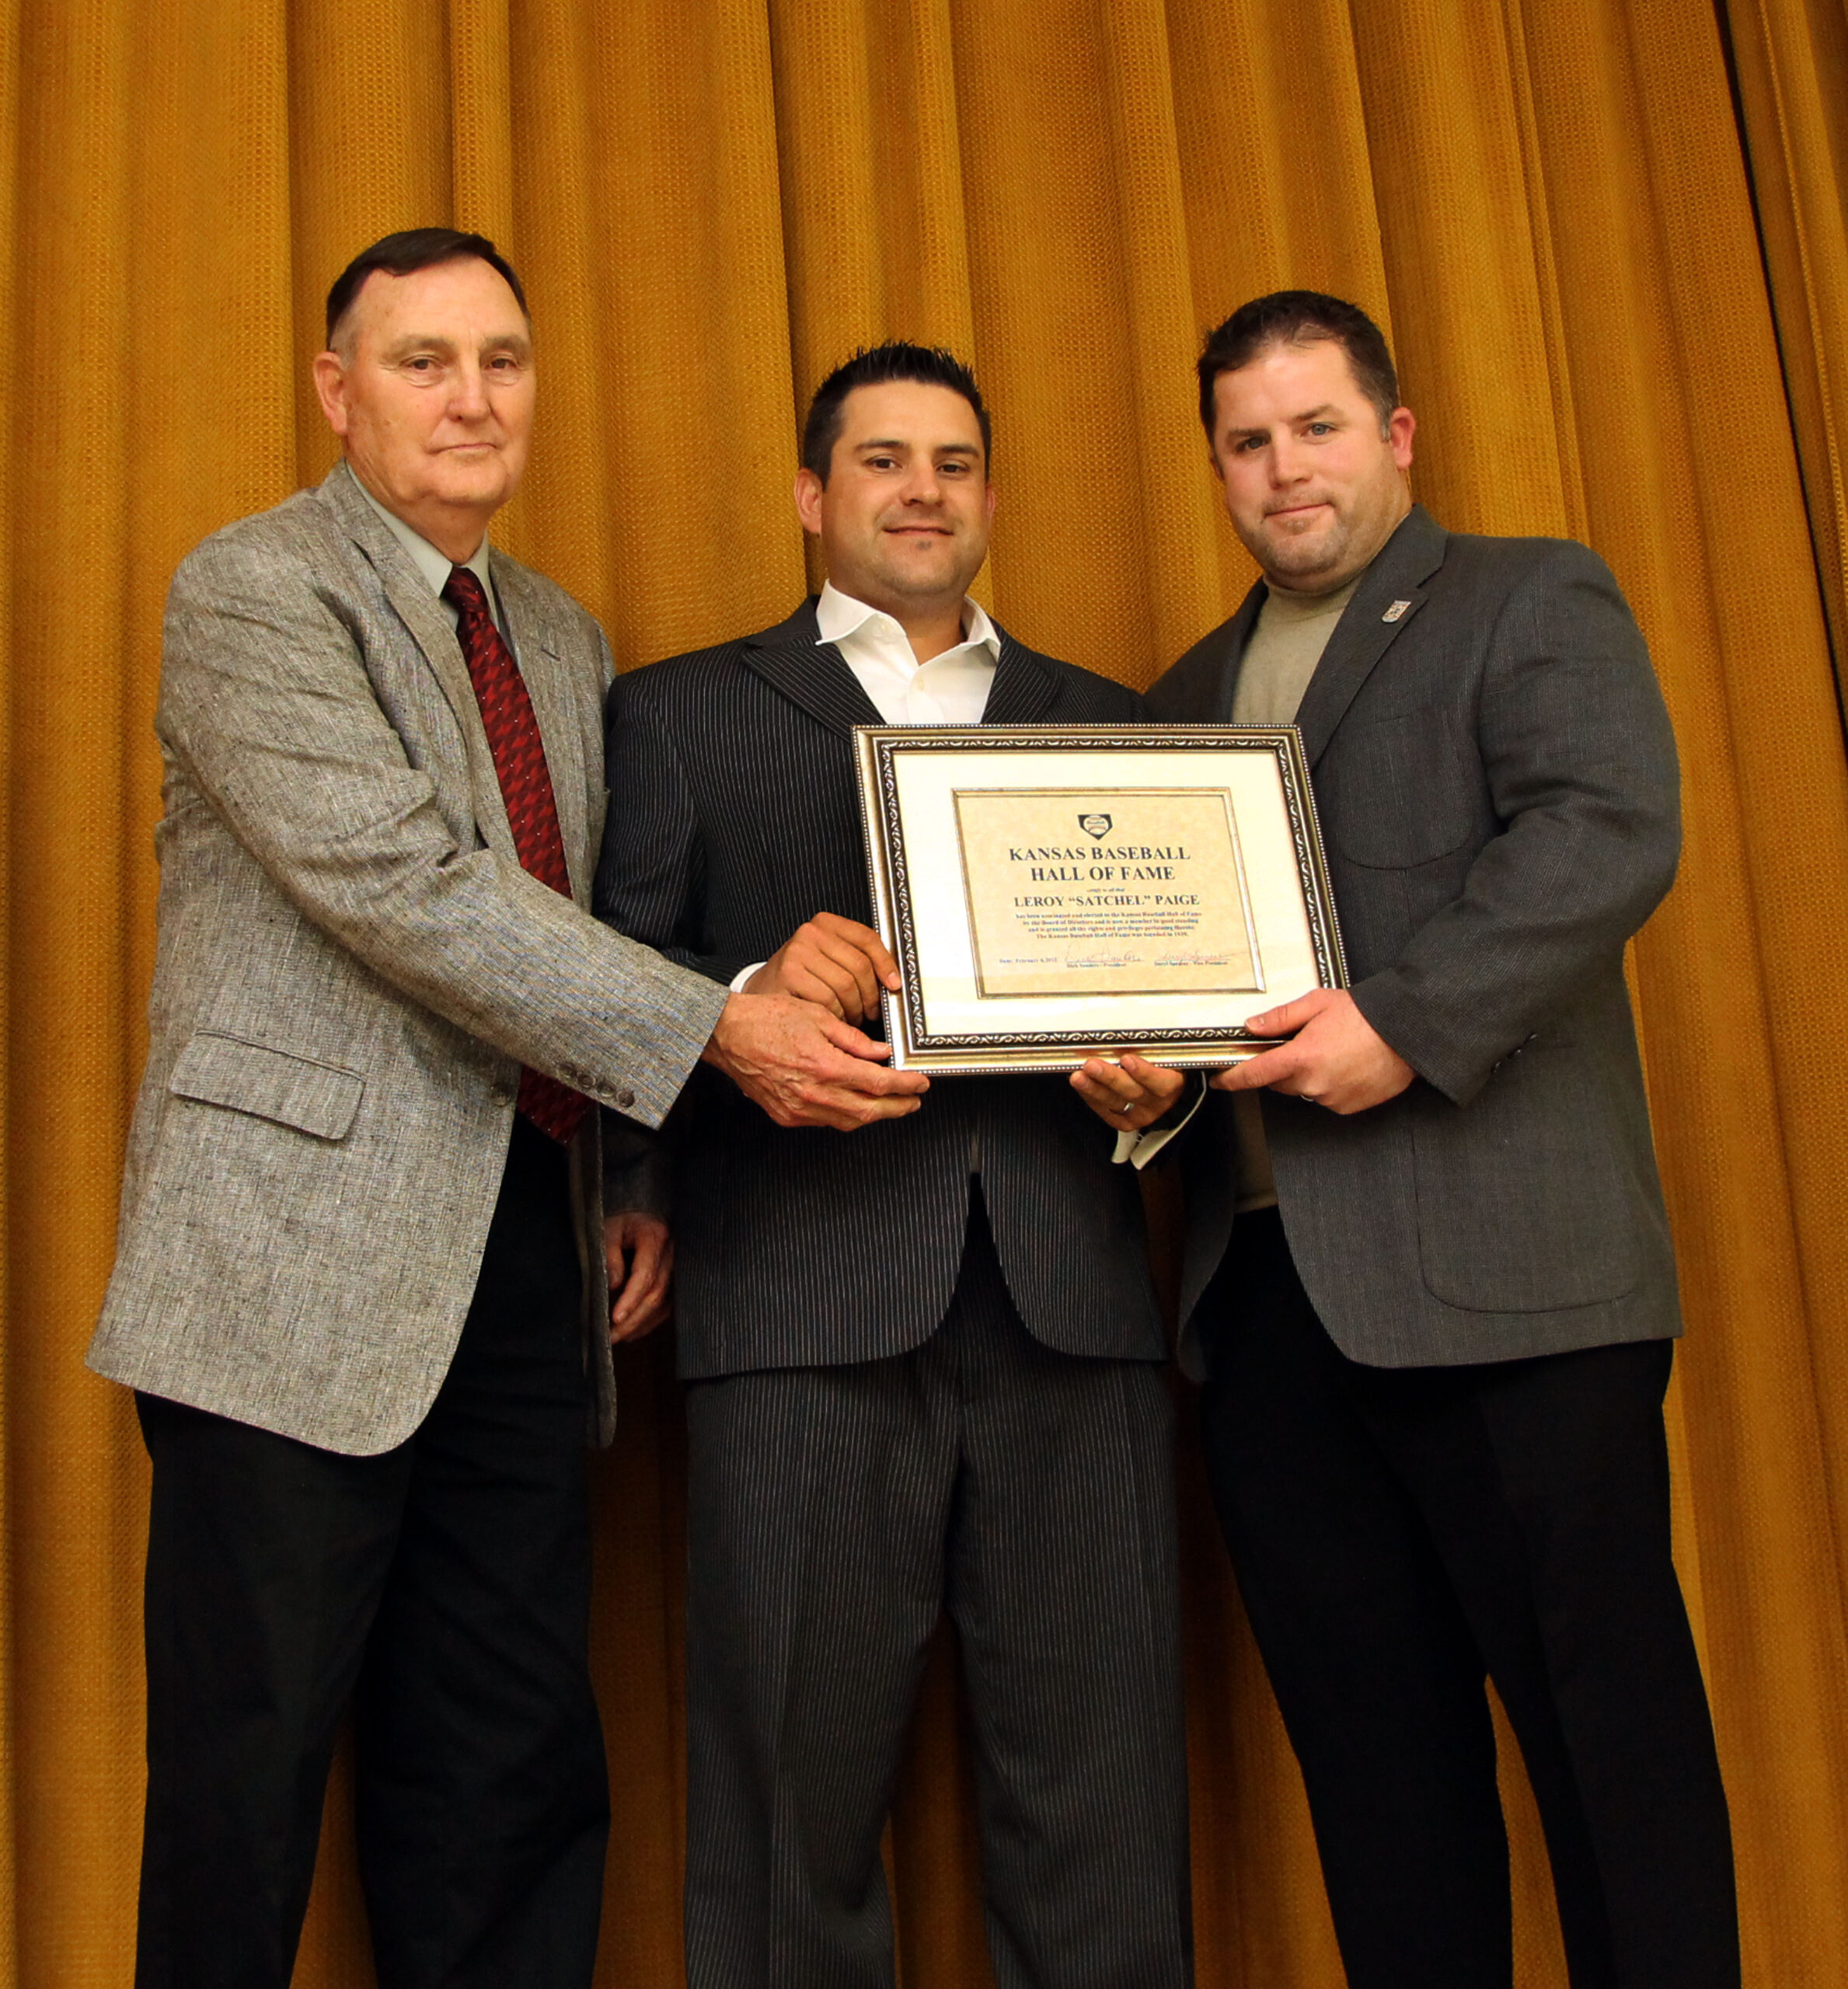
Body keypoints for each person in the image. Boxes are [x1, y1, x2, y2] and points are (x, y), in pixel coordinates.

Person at [86, 228, 924, 1989]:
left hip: (530, 1268)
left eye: (503, 360)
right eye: (424, 361)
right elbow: (410, 890)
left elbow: (579, 925)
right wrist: (721, 1028)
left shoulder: (555, 632)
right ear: (338, 392)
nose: (472, 398)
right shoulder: (252, 588)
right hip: (287, 1276)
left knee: (507, 1768)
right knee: (246, 1779)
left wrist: (625, 1164)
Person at [1072, 292, 1738, 1989]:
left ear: (1396, 434)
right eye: (1246, 440)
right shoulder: (1178, 700)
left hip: (1516, 1298)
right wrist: (1153, 1090)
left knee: (1610, 1754)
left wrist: (1407, 1022)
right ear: (1215, 466)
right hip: (1269, 1314)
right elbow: (1188, 988)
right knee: (1380, 1788)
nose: (1283, 468)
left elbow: (1606, 829)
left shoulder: (1528, 596)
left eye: (1316, 427)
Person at [595, 343, 1194, 1989]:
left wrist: (1161, 1097)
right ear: (811, 495)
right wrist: (731, 1012)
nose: (921, 490)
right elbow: (609, 971)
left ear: (989, 496)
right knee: (788, 1812)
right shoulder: (678, 713)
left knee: (1104, 1807)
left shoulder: (1111, 725)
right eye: (880, 460)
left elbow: (1193, 1008)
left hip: (1075, 1312)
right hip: (795, 1306)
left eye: (952, 462)